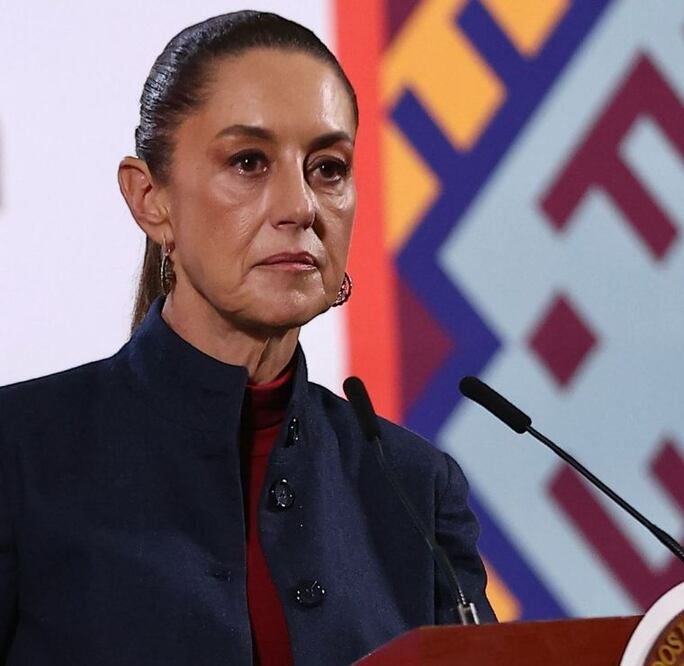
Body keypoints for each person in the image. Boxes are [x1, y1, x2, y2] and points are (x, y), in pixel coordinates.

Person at [0, 11, 494, 665]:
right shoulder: (18, 456)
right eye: (248, 161)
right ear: (150, 198)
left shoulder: (414, 488)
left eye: (327, 167)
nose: (299, 206)